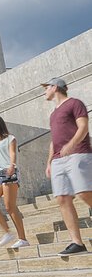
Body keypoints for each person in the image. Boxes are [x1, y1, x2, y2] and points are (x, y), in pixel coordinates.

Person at [43, 77, 92, 255]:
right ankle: (77, 243)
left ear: (55, 87)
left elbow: (83, 126)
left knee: (83, 193)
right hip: (58, 160)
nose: (44, 91)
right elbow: (53, 140)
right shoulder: (53, 114)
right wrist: (49, 162)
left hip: (78, 153)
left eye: (46, 87)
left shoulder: (75, 104)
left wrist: (71, 145)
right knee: (62, 198)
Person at [0, 115, 29, 248]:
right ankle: (7, 233)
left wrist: (12, 165)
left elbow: (12, 153)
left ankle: (23, 239)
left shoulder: (10, 138)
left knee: (10, 206)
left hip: (8, 173)